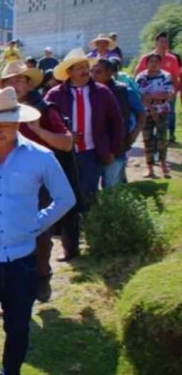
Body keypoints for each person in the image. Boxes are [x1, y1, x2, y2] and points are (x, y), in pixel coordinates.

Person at [0, 86, 75, 375]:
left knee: (18, 329)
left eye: (6, 124)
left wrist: (37, 223)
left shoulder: (41, 156)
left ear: (18, 122)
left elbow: (65, 198)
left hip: (21, 261)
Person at [0, 61, 75, 302]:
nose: (16, 85)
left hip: (39, 184)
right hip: (3, 184)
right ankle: (14, 292)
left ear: (28, 83)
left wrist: (38, 130)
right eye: (11, 81)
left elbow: (67, 143)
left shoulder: (45, 110)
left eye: (21, 80)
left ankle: (42, 275)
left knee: (39, 236)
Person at [45, 48, 123, 260]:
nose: (84, 72)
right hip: (64, 155)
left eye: (86, 68)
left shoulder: (102, 92)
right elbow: (46, 122)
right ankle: (71, 248)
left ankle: (94, 239)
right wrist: (65, 135)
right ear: (69, 71)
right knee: (66, 200)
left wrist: (114, 149)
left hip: (91, 153)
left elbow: (116, 121)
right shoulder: (55, 95)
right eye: (79, 68)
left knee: (89, 197)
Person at [91, 59, 147, 187]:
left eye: (98, 72)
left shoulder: (124, 91)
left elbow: (141, 114)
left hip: (116, 145)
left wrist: (134, 133)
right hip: (93, 146)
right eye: (92, 71)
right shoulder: (88, 91)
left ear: (110, 72)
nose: (94, 75)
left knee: (112, 186)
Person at [136, 32, 181, 143]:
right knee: (149, 114)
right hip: (148, 95)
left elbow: (175, 77)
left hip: (166, 93)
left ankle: (170, 135)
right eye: (161, 41)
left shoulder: (173, 59)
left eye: (166, 42)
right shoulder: (146, 58)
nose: (164, 44)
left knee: (170, 114)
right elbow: (138, 75)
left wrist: (174, 92)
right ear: (156, 43)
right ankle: (149, 136)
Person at [136, 53, 175, 178]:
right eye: (151, 61)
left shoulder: (165, 76)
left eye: (156, 61)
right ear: (146, 63)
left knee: (162, 139)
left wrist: (151, 96)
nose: (153, 64)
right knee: (148, 140)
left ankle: (164, 165)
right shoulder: (141, 77)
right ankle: (150, 168)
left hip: (163, 112)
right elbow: (140, 96)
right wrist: (152, 109)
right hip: (146, 113)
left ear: (160, 63)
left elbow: (168, 94)